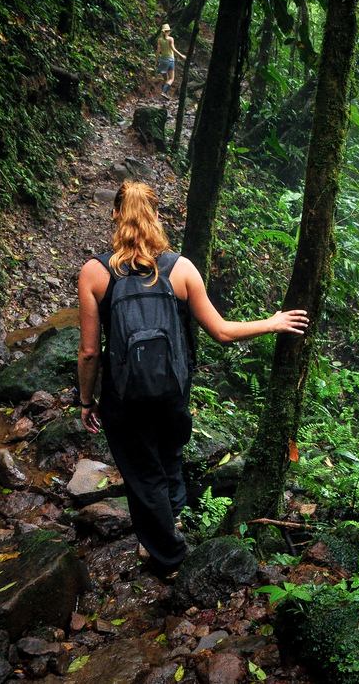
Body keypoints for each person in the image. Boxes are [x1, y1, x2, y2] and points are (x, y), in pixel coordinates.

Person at [76, 180, 308, 578]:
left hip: (124, 398)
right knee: (168, 460)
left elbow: (89, 352)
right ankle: (177, 524)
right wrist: (273, 323)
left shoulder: (94, 273)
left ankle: (170, 558)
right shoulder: (180, 269)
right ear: (156, 216)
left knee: (142, 474)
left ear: (115, 215)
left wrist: (85, 401)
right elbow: (221, 330)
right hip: (171, 392)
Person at [155, 23, 186, 99]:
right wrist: (181, 55)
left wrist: (156, 61)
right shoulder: (170, 39)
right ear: (167, 31)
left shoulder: (159, 40)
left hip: (162, 60)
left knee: (165, 79)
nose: (169, 32)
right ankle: (164, 92)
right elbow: (173, 48)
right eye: (168, 31)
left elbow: (158, 51)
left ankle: (164, 95)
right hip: (170, 60)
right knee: (171, 78)